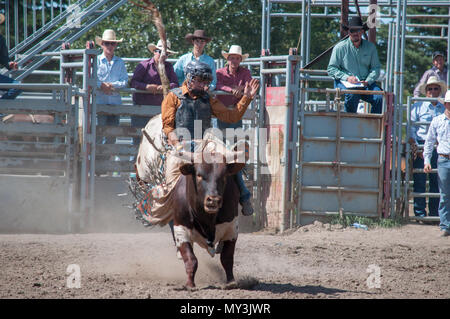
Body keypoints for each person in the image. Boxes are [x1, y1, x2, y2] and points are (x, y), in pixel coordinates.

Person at [161, 60, 259, 217]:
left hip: (206, 143)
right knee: (172, 175)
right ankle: (169, 203)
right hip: (181, 144)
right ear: (189, 78)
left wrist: (246, 98)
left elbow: (230, 116)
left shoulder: (209, 99)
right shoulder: (173, 97)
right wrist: (177, 145)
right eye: (199, 81)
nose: (202, 85)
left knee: (228, 161)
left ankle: (244, 196)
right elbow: (168, 127)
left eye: (205, 81)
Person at [216, 44, 253, 215]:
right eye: (232, 57)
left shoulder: (244, 73)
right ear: (228, 59)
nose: (234, 60)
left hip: (234, 116)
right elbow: (219, 86)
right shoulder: (219, 73)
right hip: (224, 116)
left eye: (237, 58)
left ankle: (243, 196)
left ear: (240, 60)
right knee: (228, 160)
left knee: (230, 159)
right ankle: (244, 196)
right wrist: (233, 90)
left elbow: (249, 87)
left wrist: (241, 90)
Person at [327, 16, 383, 114]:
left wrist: (367, 81)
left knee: (379, 96)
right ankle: (349, 121)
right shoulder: (340, 47)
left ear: (362, 31)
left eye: (358, 30)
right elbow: (331, 69)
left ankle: (375, 125)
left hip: (365, 83)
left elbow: (376, 68)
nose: (355, 33)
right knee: (353, 93)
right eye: (353, 30)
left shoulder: (370, 47)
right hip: (345, 82)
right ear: (348, 32)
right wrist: (347, 78)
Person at [409, 76, 446, 217]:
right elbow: (412, 128)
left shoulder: (444, 107)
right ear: (426, 91)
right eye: (430, 88)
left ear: (439, 90)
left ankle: (434, 213)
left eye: (436, 88)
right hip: (421, 145)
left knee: (437, 181)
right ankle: (419, 213)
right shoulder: (417, 106)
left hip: (439, 147)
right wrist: (416, 147)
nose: (432, 91)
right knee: (419, 180)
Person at [130, 39, 179, 145]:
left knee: (157, 139)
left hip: (159, 110)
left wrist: (165, 86)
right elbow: (133, 82)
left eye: (166, 53)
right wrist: (146, 87)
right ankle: (134, 160)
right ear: (154, 51)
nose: (163, 55)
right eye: (160, 52)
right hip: (141, 108)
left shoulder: (169, 67)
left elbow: (175, 84)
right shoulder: (144, 65)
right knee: (138, 139)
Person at [423, 90, 450, 237]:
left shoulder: (438, 120)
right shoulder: (437, 120)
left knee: (445, 194)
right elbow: (429, 142)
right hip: (444, 159)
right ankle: (445, 225)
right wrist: (427, 160)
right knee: (445, 194)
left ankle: (446, 225)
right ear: (445, 104)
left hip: (444, 159)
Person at [95, 29, 128, 146]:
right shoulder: (95, 61)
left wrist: (111, 86)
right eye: (107, 43)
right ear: (102, 44)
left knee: (112, 136)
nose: (110, 46)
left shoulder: (120, 62)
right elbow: (91, 79)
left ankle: (108, 161)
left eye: (112, 43)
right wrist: (101, 85)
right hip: (100, 103)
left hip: (114, 104)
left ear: (115, 45)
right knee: (99, 135)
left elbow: (124, 81)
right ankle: (98, 161)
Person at [0, 13, 21, 109]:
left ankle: (1, 107)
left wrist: (10, 64)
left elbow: (4, 58)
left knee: (17, 87)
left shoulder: (0, 39)